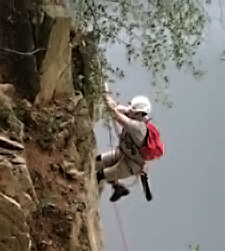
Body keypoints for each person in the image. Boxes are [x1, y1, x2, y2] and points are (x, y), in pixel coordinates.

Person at [96, 87, 154, 202]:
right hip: (123, 154)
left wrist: (104, 95)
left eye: (133, 110)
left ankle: (117, 188)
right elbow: (119, 109)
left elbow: (116, 115)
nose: (130, 111)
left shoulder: (137, 127)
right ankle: (118, 187)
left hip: (131, 165)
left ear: (140, 114)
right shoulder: (136, 116)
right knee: (97, 161)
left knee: (100, 176)